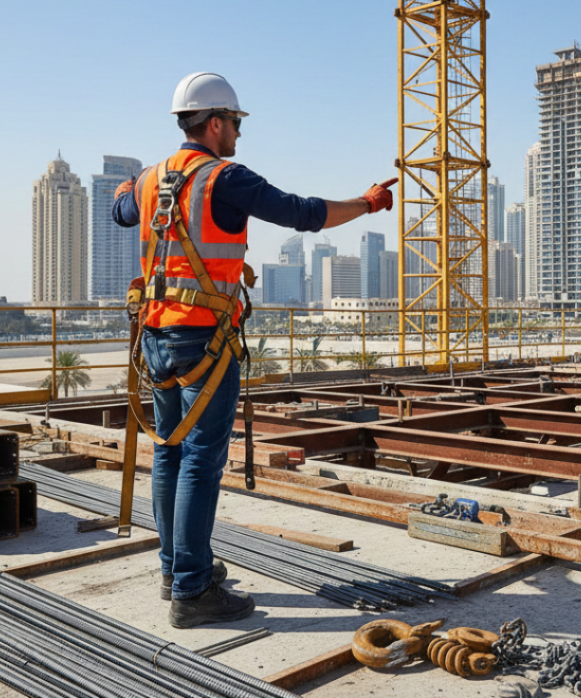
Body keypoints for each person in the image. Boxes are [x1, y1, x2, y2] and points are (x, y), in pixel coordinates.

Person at [112, 72, 395, 628]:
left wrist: (127, 187)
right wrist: (366, 203)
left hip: (155, 337)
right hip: (202, 340)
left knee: (170, 452)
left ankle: (176, 569)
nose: (240, 133)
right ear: (215, 123)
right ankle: (192, 591)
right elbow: (305, 213)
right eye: (237, 123)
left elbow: (120, 210)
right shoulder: (225, 178)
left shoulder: (150, 180)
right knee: (200, 459)